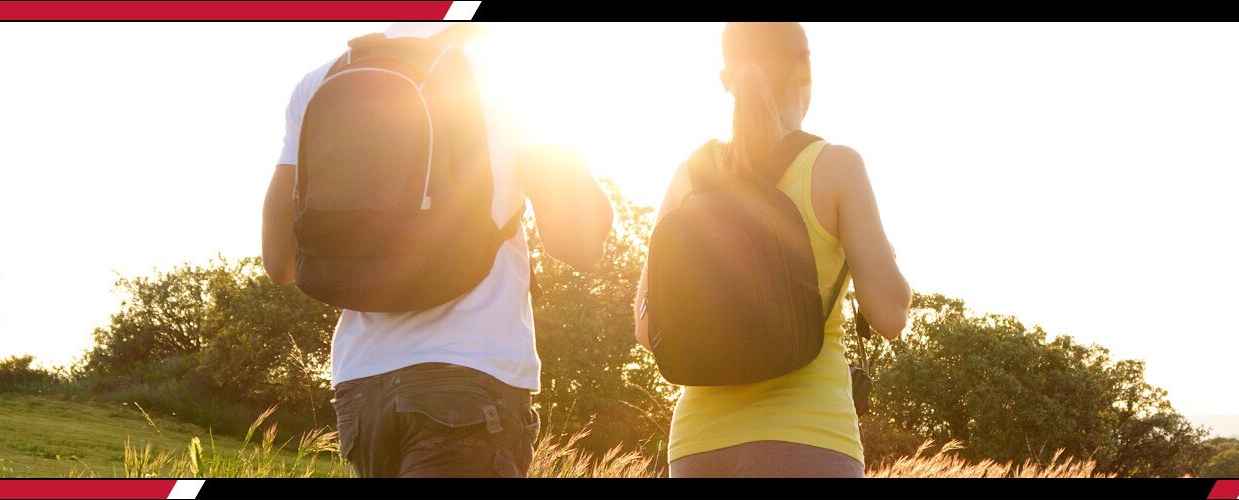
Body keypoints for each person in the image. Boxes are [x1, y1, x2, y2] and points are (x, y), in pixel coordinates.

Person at [262, 21, 613, 478]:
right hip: (468, 376)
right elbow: (577, 245)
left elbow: (279, 261)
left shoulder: (324, 78)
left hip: (363, 384)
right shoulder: (508, 75)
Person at [632, 22, 912, 478]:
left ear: (726, 80)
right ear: (805, 68)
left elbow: (647, 329)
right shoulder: (837, 167)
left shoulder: (690, 175)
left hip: (697, 448)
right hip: (809, 438)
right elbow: (890, 315)